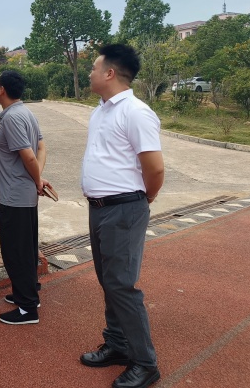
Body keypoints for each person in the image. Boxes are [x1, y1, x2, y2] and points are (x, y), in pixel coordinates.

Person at [79, 44, 164, 388]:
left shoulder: (136, 112)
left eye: (94, 67)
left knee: (121, 285)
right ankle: (117, 344)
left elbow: (155, 168)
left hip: (124, 209)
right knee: (109, 281)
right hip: (99, 208)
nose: (90, 73)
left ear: (110, 73)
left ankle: (145, 363)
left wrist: (145, 198)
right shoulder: (100, 111)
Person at [0, 70, 50, 325]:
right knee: (25, 248)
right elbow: (41, 148)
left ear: (1, 90)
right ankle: (26, 293)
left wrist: (37, 180)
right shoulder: (25, 113)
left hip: (15, 196)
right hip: (22, 193)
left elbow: (28, 155)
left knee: (16, 251)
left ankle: (27, 308)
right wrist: (38, 178)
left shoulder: (13, 117)